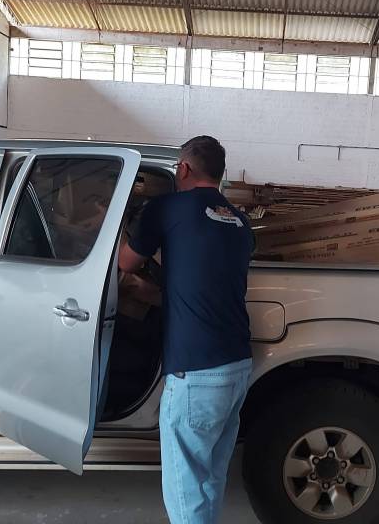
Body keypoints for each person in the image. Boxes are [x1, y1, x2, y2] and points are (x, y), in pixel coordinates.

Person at [118, 135, 253, 524]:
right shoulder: (240, 221)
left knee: (185, 490)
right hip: (237, 367)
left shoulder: (166, 208)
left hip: (196, 374)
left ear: (183, 168)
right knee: (209, 478)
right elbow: (205, 283)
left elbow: (126, 263)